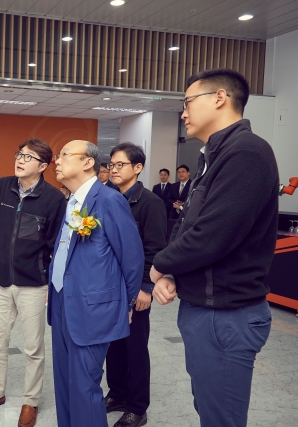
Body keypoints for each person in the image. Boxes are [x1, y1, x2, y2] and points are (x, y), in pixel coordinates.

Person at [150, 68, 279, 427]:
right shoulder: (213, 157)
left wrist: (158, 265)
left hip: (226, 313)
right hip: (205, 308)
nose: (183, 113)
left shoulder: (247, 152)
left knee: (221, 417)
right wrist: (173, 269)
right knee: (209, 408)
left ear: (219, 97)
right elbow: (186, 225)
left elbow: (214, 235)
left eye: (188, 101)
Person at [0, 139, 66, 427]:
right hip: (1, 280)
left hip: (33, 283)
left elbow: (57, 243)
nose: (20, 160)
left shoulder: (54, 200)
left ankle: (30, 401)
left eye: (28, 157)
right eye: (19, 154)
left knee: (33, 349)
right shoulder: (2, 186)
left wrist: (49, 278)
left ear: (43, 166)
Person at [49, 140, 144, 427]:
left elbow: (131, 258)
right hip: (62, 302)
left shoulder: (109, 200)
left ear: (87, 162)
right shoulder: (71, 200)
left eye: (64, 154)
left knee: (84, 387)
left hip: (92, 310)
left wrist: (126, 304)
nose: (57, 160)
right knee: (64, 383)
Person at [104, 143, 167, 427]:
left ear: (137, 168)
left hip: (135, 287)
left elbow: (154, 249)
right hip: (108, 285)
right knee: (113, 344)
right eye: (112, 165)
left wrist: (145, 287)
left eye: (121, 165)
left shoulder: (149, 202)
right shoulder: (107, 196)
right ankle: (117, 393)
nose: (114, 170)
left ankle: (137, 407)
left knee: (135, 347)